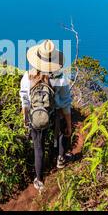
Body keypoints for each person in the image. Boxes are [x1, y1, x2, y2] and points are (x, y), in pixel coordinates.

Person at [19, 39, 73, 191]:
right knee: (63, 126)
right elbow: (65, 104)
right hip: (53, 114)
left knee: (39, 147)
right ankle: (61, 159)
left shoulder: (27, 77)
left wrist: (26, 119)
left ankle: (39, 180)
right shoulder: (60, 78)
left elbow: (25, 102)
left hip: (36, 116)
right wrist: (69, 125)